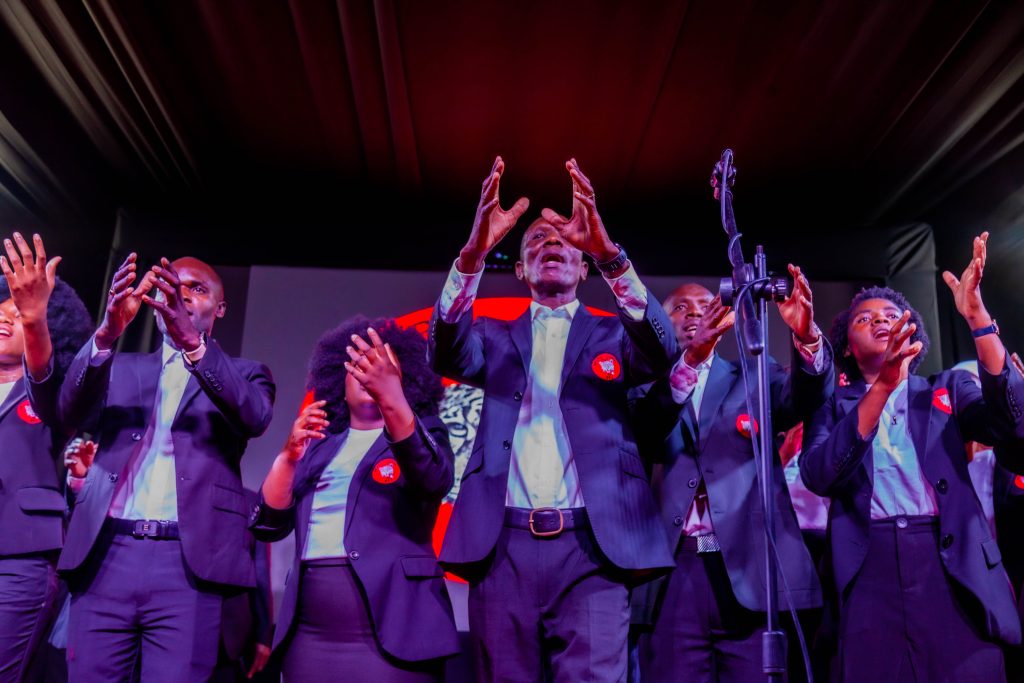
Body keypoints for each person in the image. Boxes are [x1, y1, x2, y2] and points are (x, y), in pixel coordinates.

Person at [428, 157, 678, 681]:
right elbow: (446, 351)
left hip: (594, 548)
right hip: (504, 547)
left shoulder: (615, 334)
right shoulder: (493, 337)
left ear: (584, 267)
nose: (551, 243)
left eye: (565, 239)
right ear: (520, 270)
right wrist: (472, 256)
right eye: (537, 240)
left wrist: (610, 255)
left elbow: (661, 352)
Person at [800, 232, 1023, 681]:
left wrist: (977, 318)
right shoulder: (832, 406)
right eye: (865, 318)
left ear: (915, 338)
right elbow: (819, 474)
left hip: (950, 561)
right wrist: (882, 386)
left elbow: (1011, 426)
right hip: (870, 569)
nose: (881, 321)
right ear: (847, 347)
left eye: (891, 315)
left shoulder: (946, 388)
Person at [55, 254, 276, 682]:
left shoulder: (245, 374)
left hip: (187, 565)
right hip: (106, 553)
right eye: (170, 286)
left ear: (220, 308)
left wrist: (192, 343)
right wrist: (107, 333)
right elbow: (68, 412)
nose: (180, 295)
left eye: (196, 289)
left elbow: (254, 416)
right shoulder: (119, 365)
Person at [631, 278, 833, 682]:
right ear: (661, 323)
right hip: (672, 571)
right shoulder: (642, 387)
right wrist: (689, 362)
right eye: (680, 307)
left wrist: (808, 337)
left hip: (749, 566)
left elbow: (804, 398)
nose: (694, 312)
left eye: (705, 304)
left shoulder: (754, 374)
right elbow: (644, 433)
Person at [254, 317, 458, 682]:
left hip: (394, 632)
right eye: (356, 365)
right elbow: (268, 525)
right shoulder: (319, 445)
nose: (366, 372)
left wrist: (392, 398)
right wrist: (288, 457)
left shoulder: (422, 434)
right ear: (338, 380)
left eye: (380, 364)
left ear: (402, 378)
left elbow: (433, 479)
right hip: (310, 634)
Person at [0, 233, 91, 682]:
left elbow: (46, 376)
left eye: (16, 315)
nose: (5, 318)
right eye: (1, 311)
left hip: (18, 560)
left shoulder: (51, 391)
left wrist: (34, 315)